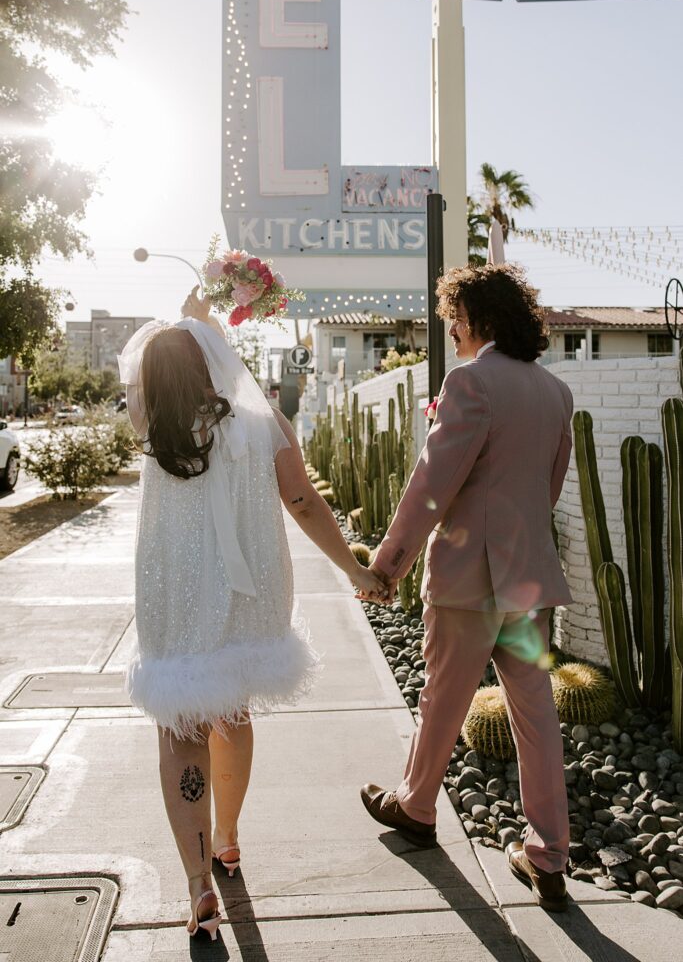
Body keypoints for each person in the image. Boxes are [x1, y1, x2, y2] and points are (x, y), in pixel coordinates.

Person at [118, 288, 386, 940]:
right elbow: (301, 501)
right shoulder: (263, 422)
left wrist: (195, 317)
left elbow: (159, 366)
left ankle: (196, 885)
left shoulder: (152, 424)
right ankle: (228, 839)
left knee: (180, 730)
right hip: (250, 592)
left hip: (173, 592)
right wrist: (356, 570)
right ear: (218, 362)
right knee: (231, 715)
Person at [359, 263, 574, 913]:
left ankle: (417, 806)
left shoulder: (469, 382)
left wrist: (387, 564)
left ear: (475, 318)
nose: (447, 328)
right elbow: (550, 487)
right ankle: (548, 857)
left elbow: (432, 487)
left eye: (452, 316)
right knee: (535, 718)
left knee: (442, 699)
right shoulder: (552, 392)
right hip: (528, 577)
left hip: (467, 579)